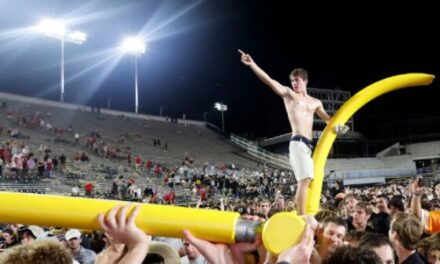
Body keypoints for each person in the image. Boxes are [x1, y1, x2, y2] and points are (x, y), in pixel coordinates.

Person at [239, 49, 348, 215]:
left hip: (309, 146)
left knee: (310, 181)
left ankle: (304, 213)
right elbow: (268, 80)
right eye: (292, 81)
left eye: (296, 80)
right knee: (304, 181)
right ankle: (302, 216)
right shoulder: (289, 95)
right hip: (297, 142)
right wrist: (252, 64)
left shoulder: (316, 102)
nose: (294, 84)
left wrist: (339, 126)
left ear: (305, 80)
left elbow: (328, 120)